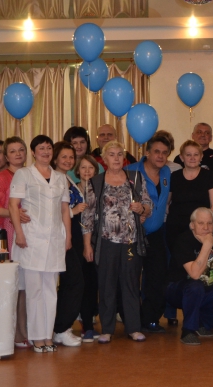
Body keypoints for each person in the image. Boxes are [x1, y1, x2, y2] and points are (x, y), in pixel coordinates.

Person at [81, 140, 152, 344]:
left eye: (120, 154)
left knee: (131, 284)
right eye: (111, 154)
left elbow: (148, 205)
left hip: (131, 242)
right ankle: (107, 329)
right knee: (106, 286)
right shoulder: (96, 182)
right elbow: (87, 217)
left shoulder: (135, 178)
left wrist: (142, 209)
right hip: (106, 242)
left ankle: (134, 328)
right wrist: (87, 245)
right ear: (104, 159)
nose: (116, 158)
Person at [9, 135, 71, 352]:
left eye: (49, 148)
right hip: (32, 239)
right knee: (34, 291)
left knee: (51, 291)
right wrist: (19, 233)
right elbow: (13, 205)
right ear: (33, 152)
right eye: (41, 148)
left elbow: (64, 209)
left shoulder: (60, 178)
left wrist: (68, 237)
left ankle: (47, 336)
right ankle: (36, 337)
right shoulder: (24, 174)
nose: (46, 151)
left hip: (55, 239)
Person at [165, 208, 213, 346]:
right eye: (201, 223)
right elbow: (195, 274)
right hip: (178, 289)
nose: (206, 227)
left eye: (210, 223)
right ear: (192, 225)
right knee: (196, 286)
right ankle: (188, 331)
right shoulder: (183, 240)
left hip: (207, 287)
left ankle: (201, 323)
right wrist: (207, 245)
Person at [125, 133, 172, 334]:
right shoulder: (130, 171)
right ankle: (131, 320)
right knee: (130, 278)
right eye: (157, 152)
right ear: (147, 153)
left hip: (156, 233)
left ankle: (150, 318)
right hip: (132, 234)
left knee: (157, 277)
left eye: (164, 153)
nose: (160, 156)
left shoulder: (167, 172)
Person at [0, 136, 30, 348]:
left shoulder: (31, 174)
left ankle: (28, 329)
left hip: (32, 235)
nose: (18, 154)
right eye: (12, 151)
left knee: (29, 286)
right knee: (17, 286)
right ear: (6, 156)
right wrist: (14, 213)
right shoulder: (1, 178)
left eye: (21, 150)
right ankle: (17, 333)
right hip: (12, 236)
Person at [50, 141, 87, 348]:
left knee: (70, 282)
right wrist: (73, 212)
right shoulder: (54, 179)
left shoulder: (68, 178)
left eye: (71, 157)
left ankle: (62, 328)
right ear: (55, 158)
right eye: (63, 156)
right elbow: (52, 210)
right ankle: (61, 328)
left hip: (74, 234)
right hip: (63, 235)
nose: (68, 160)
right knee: (74, 281)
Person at [167, 140, 213, 247]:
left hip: (201, 230)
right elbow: (167, 202)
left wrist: (207, 226)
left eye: (196, 154)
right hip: (176, 228)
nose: (192, 158)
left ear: (201, 156)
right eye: (188, 155)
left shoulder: (209, 176)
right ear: (181, 157)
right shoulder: (174, 176)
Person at [74, 153, 103, 342]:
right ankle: (86, 325)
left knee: (95, 284)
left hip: (99, 241)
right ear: (77, 171)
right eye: (83, 167)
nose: (86, 171)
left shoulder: (101, 189)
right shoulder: (72, 189)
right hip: (78, 242)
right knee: (84, 284)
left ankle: (92, 320)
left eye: (90, 167)